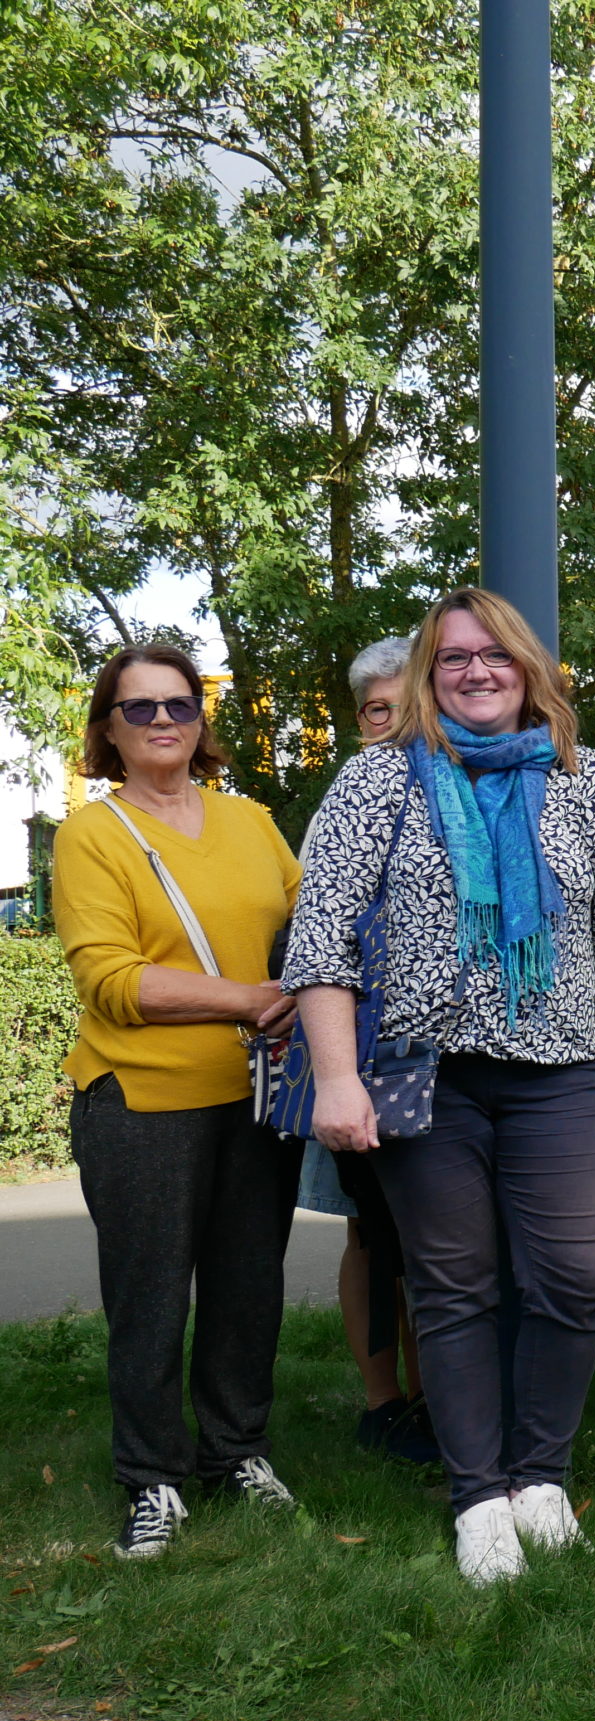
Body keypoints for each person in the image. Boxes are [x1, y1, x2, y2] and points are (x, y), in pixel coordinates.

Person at [288, 586, 595, 1587]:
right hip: (426, 1079)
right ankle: (477, 1495)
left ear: (528, 669)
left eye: (493, 655)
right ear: (427, 673)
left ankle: (539, 1476)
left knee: (574, 1280)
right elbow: (319, 937)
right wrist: (335, 1076)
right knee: (455, 1288)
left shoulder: (587, 790)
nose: (475, 672)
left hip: (555, 1082)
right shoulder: (379, 784)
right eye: (453, 658)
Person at [54, 645, 306, 1558]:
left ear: (201, 721)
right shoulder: (93, 835)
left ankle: (236, 1450)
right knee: (151, 1296)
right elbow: (111, 980)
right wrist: (249, 999)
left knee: (249, 1284)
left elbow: (310, 923)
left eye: (179, 704)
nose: (163, 721)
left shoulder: (250, 820)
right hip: (143, 1101)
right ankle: (151, 1478)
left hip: (256, 1094)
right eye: (139, 709)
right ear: (107, 730)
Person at [306, 634, 434, 1465]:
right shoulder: (346, 801)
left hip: (441, 1061)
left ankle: (436, 1397)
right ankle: (383, 1399)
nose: (393, 724)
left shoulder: (454, 791)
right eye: (378, 711)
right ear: (360, 722)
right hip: (361, 1053)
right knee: (369, 1235)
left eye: (406, 707)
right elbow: (317, 936)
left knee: (434, 1239)